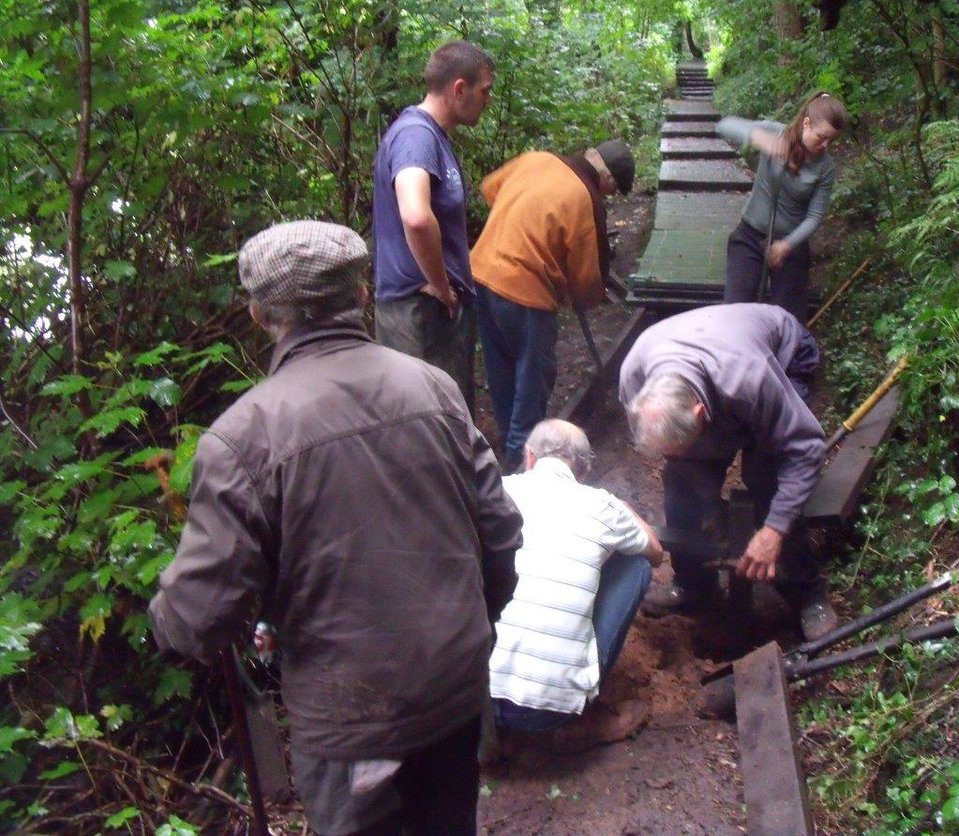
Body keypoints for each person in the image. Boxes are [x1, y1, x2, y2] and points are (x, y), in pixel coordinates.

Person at [149, 220, 523, 836]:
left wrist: (161, 618)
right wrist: (469, 628)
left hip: (350, 720)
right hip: (454, 688)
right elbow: (500, 533)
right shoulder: (435, 387)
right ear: (363, 295)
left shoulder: (243, 437)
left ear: (258, 314)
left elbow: (201, 615)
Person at [617, 303, 837, 640]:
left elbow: (806, 448)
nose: (677, 456)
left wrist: (774, 530)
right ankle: (693, 585)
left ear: (702, 413)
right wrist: (707, 502)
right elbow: (680, 458)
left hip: (784, 354)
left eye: (683, 447)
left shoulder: (750, 378)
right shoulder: (634, 382)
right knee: (679, 484)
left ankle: (808, 595)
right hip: (714, 357)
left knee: (766, 478)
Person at [489, 419, 664, 735]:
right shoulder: (602, 505)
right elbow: (655, 552)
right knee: (635, 566)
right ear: (583, 472)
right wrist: (625, 510)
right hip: (547, 713)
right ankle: (582, 721)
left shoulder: (497, 492)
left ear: (530, 457)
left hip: (473, 700)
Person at [470, 140, 635, 470]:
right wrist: (581, 296)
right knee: (532, 383)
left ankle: (508, 452)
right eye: (612, 192)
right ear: (608, 180)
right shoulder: (585, 198)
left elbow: (489, 188)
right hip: (525, 294)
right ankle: (522, 472)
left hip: (481, 276)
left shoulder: (535, 159)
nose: (606, 197)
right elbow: (588, 281)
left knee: (502, 373)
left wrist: (522, 218)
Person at [372, 40, 495, 408]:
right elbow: (415, 214)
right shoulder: (417, 136)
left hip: (426, 312)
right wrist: (442, 286)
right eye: (484, 90)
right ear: (459, 89)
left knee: (448, 419)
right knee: (434, 422)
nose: (487, 100)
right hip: (419, 313)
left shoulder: (429, 136)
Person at [716, 91, 847, 324]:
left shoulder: (825, 168)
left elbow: (814, 217)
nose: (825, 145)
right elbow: (724, 125)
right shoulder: (777, 133)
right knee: (734, 314)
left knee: (787, 322)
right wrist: (761, 138)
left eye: (831, 140)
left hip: (791, 247)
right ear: (806, 124)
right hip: (750, 236)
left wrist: (787, 245)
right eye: (821, 137)